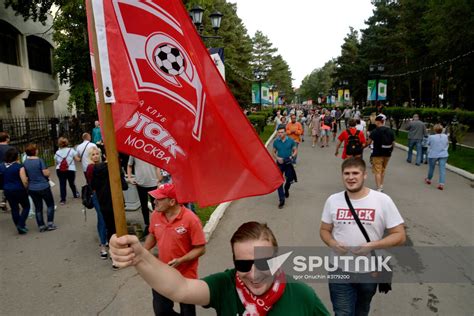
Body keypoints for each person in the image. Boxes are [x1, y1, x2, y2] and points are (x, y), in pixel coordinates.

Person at [110, 221, 330, 315]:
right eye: (243, 264)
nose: (254, 274)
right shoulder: (226, 284)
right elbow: (180, 288)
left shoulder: (302, 295)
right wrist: (140, 256)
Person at [320, 157, 406, 316]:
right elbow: (324, 230)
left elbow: (400, 235)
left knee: (362, 311)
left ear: (365, 175)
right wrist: (332, 242)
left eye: (355, 173)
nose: (350, 177)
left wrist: (373, 245)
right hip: (339, 269)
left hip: (369, 271)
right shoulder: (333, 200)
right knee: (343, 313)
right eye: (346, 173)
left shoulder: (382, 200)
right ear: (342, 175)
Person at [143, 183, 206, 316]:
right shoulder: (155, 215)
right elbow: (153, 234)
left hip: (186, 276)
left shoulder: (191, 220)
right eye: (155, 198)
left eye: (159, 199)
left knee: (187, 312)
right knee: (161, 311)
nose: (155, 202)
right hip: (162, 273)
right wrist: (143, 251)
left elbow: (201, 248)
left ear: (172, 201)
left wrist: (181, 260)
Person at [90, 152, 128, 254]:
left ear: (104, 156)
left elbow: (93, 185)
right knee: (118, 227)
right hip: (116, 203)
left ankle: (111, 251)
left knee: (109, 228)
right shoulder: (116, 168)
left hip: (103, 203)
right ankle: (120, 251)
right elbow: (124, 186)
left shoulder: (96, 168)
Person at [23, 143, 57, 232]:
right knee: (50, 205)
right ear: (35, 151)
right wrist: (48, 172)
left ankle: (41, 225)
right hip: (43, 186)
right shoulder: (40, 161)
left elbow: (25, 176)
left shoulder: (25, 162)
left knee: (38, 208)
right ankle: (50, 223)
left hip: (32, 188)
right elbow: (46, 173)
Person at [127, 156, 160, 236]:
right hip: (140, 183)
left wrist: (159, 180)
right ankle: (147, 225)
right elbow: (129, 165)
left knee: (156, 206)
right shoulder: (134, 152)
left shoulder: (151, 150)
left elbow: (158, 166)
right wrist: (129, 178)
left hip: (153, 183)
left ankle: (157, 225)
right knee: (144, 206)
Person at [85, 147, 109, 259]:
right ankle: (103, 245)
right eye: (93, 154)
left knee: (106, 217)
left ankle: (107, 239)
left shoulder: (104, 165)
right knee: (102, 218)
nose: (95, 156)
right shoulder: (90, 167)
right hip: (96, 195)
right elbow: (92, 182)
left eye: (97, 154)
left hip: (105, 194)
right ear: (90, 156)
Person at [0, 148, 30, 234]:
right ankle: (21, 224)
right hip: (19, 189)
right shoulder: (19, 167)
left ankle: (19, 226)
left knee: (14, 209)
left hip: (7, 190)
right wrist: (26, 188)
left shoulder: (1, 166)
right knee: (26, 206)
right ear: (16, 157)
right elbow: (24, 180)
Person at [364, 114, 394, 192]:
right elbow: (393, 143)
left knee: (378, 171)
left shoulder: (375, 131)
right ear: (383, 121)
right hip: (387, 153)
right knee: (383, 169)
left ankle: (379, 188)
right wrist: (391, 150)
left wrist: (362, 147)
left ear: (377, 122)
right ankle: (381, 184)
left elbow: (368, 142)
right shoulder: (390, 131)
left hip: (377, 153)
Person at [272, 126, 297, 209]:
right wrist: (277, 158)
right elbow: (273, 152)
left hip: (288, 162)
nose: (280, 134)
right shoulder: (276, 142)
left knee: (289, 179)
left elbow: (295, 150)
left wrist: (291, 157)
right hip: (279, 163)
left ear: (285, 132)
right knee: (279, 181)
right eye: (279, 132)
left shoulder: (290, 141)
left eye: (282, 132)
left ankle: (286, 189)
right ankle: (281, 200)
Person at [54, 137, 80, 205]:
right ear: (67, 143)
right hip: (70, 169)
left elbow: (56, 162)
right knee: (72, 183)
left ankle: (63, 200)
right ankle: (75, 194)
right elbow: (77, 159)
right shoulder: (71, 150)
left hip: (60, 170)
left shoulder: (57, 152)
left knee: (62, 184)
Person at [425, 124, 449, 190]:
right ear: (442, 130)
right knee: (442, 169)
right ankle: (441, 184)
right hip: (443, 154)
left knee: (431, 168)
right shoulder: (445, 136)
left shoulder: (431, 137)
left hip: (433, 154)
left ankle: (429, 179)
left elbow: (428, 144)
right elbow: (447, 144)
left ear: (434, 130)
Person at [0, 131, 13, 212]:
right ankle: (10, 203)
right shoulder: (10, 148)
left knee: (3, 187)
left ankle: (3, 202)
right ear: (7, 138)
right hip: (8, 170)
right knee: (8, 186)